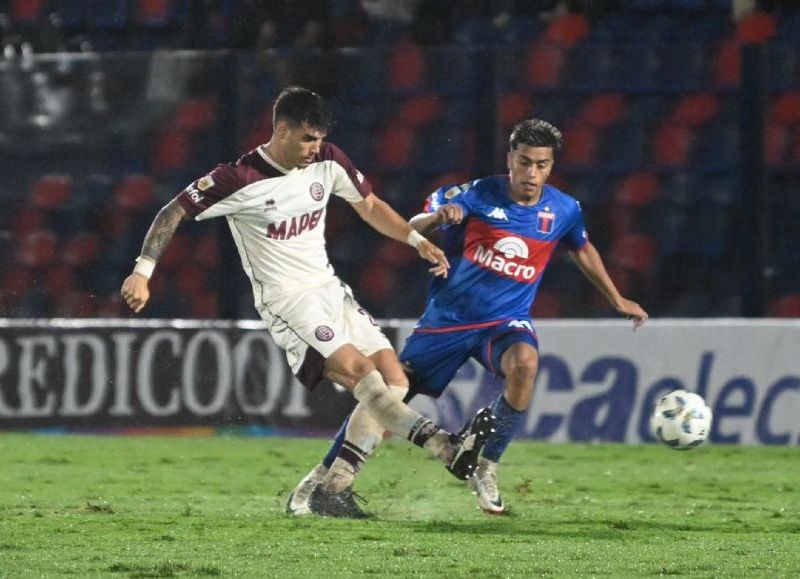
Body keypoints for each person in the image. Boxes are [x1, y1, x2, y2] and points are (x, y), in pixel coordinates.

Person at [120, 86, 495, 518]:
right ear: (281, 130)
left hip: (329, 289)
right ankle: (446, 447)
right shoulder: (237, 179)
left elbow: (369, 205)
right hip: (287, 300)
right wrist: (142, 271)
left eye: (319, 139)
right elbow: (172, 212)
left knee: (395, 380)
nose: (314, 149)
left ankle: (326, 488)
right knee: (360, 373)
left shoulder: (328, 160)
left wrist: (414, 239)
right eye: (306, 139)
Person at [288, 118, 648, 516]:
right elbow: (415, 225)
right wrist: (440, 218)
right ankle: (322, 480)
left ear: (552, 165)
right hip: (448, 321)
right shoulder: (475, 194)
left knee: (525, 365)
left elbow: (581, 248)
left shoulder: (564, 209)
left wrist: (615, 297)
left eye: (542, 165)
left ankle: (485, 465)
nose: (531, 174)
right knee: (385, 397)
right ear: (510, 157)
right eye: (524, 162)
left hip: (505, 320)